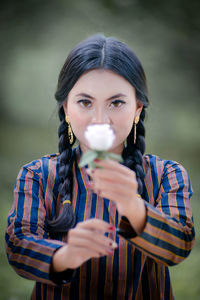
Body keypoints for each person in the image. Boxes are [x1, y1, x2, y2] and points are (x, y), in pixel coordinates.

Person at [5, 34, 195, 300]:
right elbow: (18, 247)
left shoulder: (167, 175)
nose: (100, 119)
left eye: (116, 103)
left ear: (138, 108)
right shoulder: (38, 175)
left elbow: (179, 245)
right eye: (85, 102)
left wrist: (132, 205)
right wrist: (66, 255)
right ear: (66, 108)